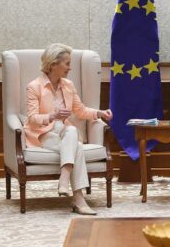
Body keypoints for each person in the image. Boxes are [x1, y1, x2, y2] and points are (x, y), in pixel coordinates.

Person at [24, 43, 112, 215]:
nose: (70, 68)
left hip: (64, 132)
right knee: (77, 146)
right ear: (52, 64)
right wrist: (52, 116)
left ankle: (64, 178)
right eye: (66, 63)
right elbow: (32, 118)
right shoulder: (34, 87)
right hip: (43, 134)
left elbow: (80, 110)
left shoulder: (68, 85)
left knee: (71, 131)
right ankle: (78, 200)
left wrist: (99, 113)